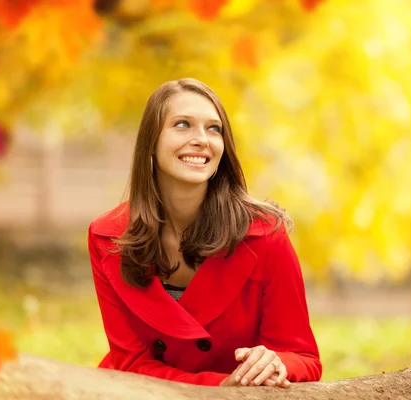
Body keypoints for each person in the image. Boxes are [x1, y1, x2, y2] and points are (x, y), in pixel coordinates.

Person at [87, 78, 322, 387]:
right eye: (183, 125)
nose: (202, 139)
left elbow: (303, 356)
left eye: (214, 129)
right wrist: (216, 388)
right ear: (151, 143)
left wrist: (276, 361)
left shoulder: (265, 235)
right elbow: (129, 362)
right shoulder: (109, 238)